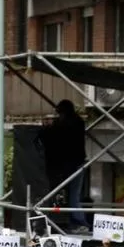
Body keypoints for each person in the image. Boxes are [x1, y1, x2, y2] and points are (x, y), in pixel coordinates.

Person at [40, 99, 87, 233]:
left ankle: (78, 222)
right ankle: (75, 222)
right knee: (73, 194)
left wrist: (48, 127)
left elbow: (54, 135)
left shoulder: (65, 125)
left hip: (69, 164)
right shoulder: (77, 122)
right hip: (75, 162)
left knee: (70, 195)